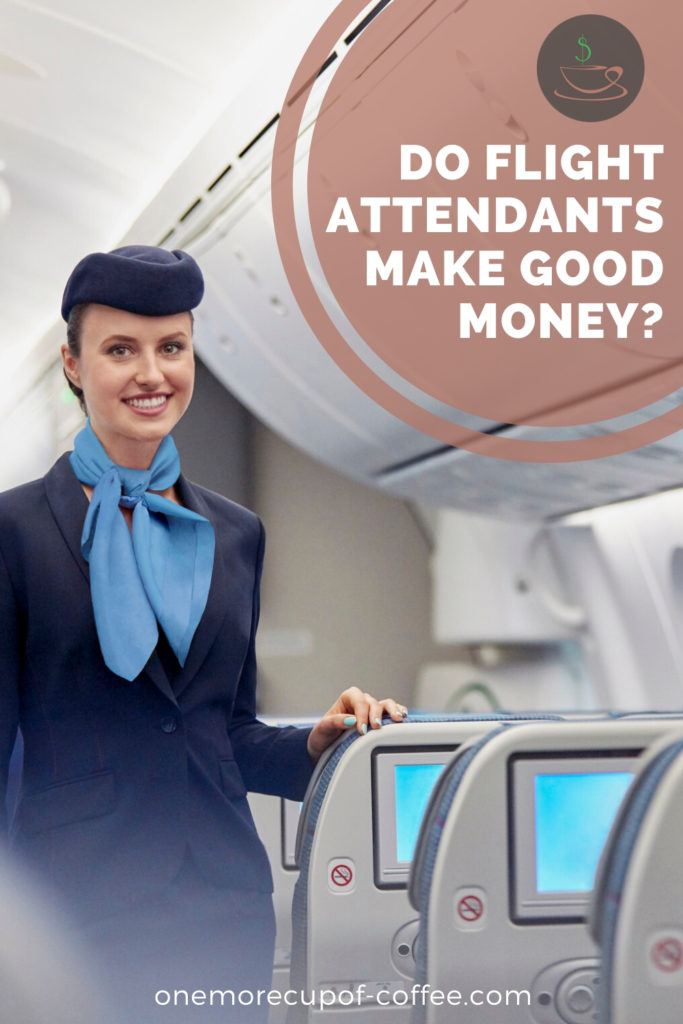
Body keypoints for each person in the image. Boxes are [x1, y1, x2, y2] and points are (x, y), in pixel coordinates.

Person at [0, 245, 408, 1023]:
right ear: (74, 365)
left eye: (171, 348)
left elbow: (223, 729)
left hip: (221, 904)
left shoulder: (233, 534)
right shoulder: (14, 531)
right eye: (121, 350)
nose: (151, 374)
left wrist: (315, 745)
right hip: (74, 907)